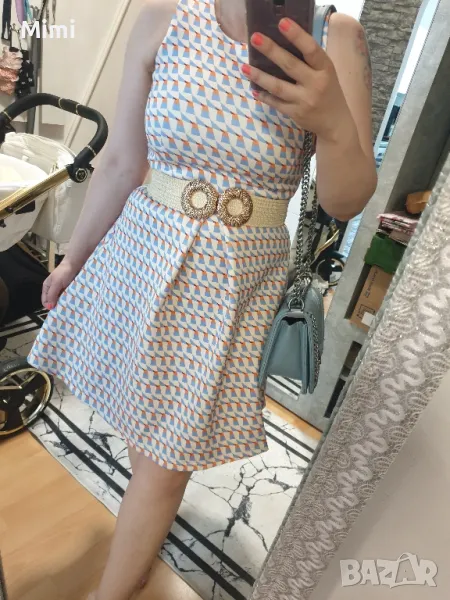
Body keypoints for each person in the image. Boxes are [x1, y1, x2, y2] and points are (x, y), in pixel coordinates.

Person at [28, 0, 377, 598]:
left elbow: (344, 202)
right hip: (143, 255)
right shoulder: (163, 18)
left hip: (232, 282)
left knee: (168, 459)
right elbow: (123, 162)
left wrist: (333, 123)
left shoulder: (333, 34)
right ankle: (138, 552)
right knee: (146, 433)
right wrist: (73, 260)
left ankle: (116, 588)